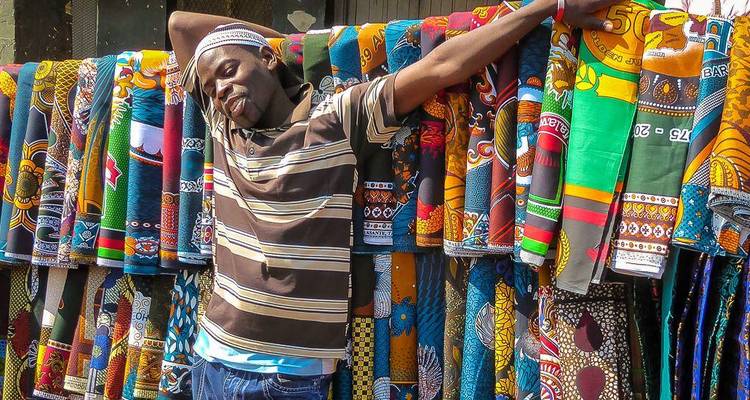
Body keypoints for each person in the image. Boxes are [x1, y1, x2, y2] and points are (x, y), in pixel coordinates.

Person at [168, 0, 617, 397]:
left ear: (267, 60)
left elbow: (443, 66)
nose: (221, 91)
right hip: (211, 355)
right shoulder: (224, 128)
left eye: (229, 71)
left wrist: (546, 8)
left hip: (287, 375)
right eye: (211, 87)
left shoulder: (337, 120)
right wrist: (277, 46)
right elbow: (179, 24)